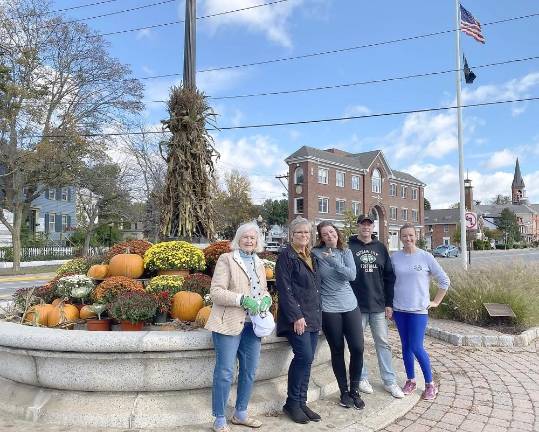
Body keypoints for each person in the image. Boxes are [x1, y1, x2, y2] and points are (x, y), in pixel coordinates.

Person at [205, 222, 273, 432]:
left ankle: (241, 413)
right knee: (225, 372)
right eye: (245, 237)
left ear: (257, 241)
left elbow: (263, 291)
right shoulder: (227, 259)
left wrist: (266, 300)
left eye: (253, 238)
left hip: (253, 325)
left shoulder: (259, 263)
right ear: (238, 239)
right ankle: (219, 418)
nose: (249, 241)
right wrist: (242, 299)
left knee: (249, 371)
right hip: (229, 323)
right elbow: (216, 292)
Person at [391, 223, 450, 400]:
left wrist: (436, 302)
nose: (408, 239)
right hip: (399, 310)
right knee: (406, 347)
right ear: (400, 238)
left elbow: (444, 281)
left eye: (411, 235)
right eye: (404, 236)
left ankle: (431, 384)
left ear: (416, 236)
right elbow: (389, 282)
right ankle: (411, 380)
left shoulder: (426, 257)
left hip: (418, 311)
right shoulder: (394, 258)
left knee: (416, 346)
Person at [348, 214, 404, 399]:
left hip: (378, 305)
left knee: (383, 344)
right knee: (358, 345)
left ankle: (389, 381)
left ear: (373, 227)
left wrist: (389, 303)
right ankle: (361, 378)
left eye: (369, 224)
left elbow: (389, 277)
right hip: (356, 306)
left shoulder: (381, 248)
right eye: (362, 224)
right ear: (358, 227)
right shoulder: (349, 246)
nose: (366, 227)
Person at [311, 221, 365, 410]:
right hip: (329, 308)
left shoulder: (346, 252)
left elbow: (351, 276)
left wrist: (333, 261)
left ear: (337, 233)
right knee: (337, 350)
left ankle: (355, 389)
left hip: (350, 305)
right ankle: (344, 392)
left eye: (332, 232)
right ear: (321, 237)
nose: (329, 236)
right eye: (325, 234)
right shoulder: (316, 254)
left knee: (358, 348)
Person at [275, 217, 322, 424]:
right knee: (303, 356)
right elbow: (285, 290)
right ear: (291, 235)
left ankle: (302, 402)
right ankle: (292, 403)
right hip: (298, 318)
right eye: (299, 233)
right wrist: (297, 316)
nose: (304, 236)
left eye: (306, 233)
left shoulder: (311, 256)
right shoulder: (286, 257)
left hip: (313, 316)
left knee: (309, 358)